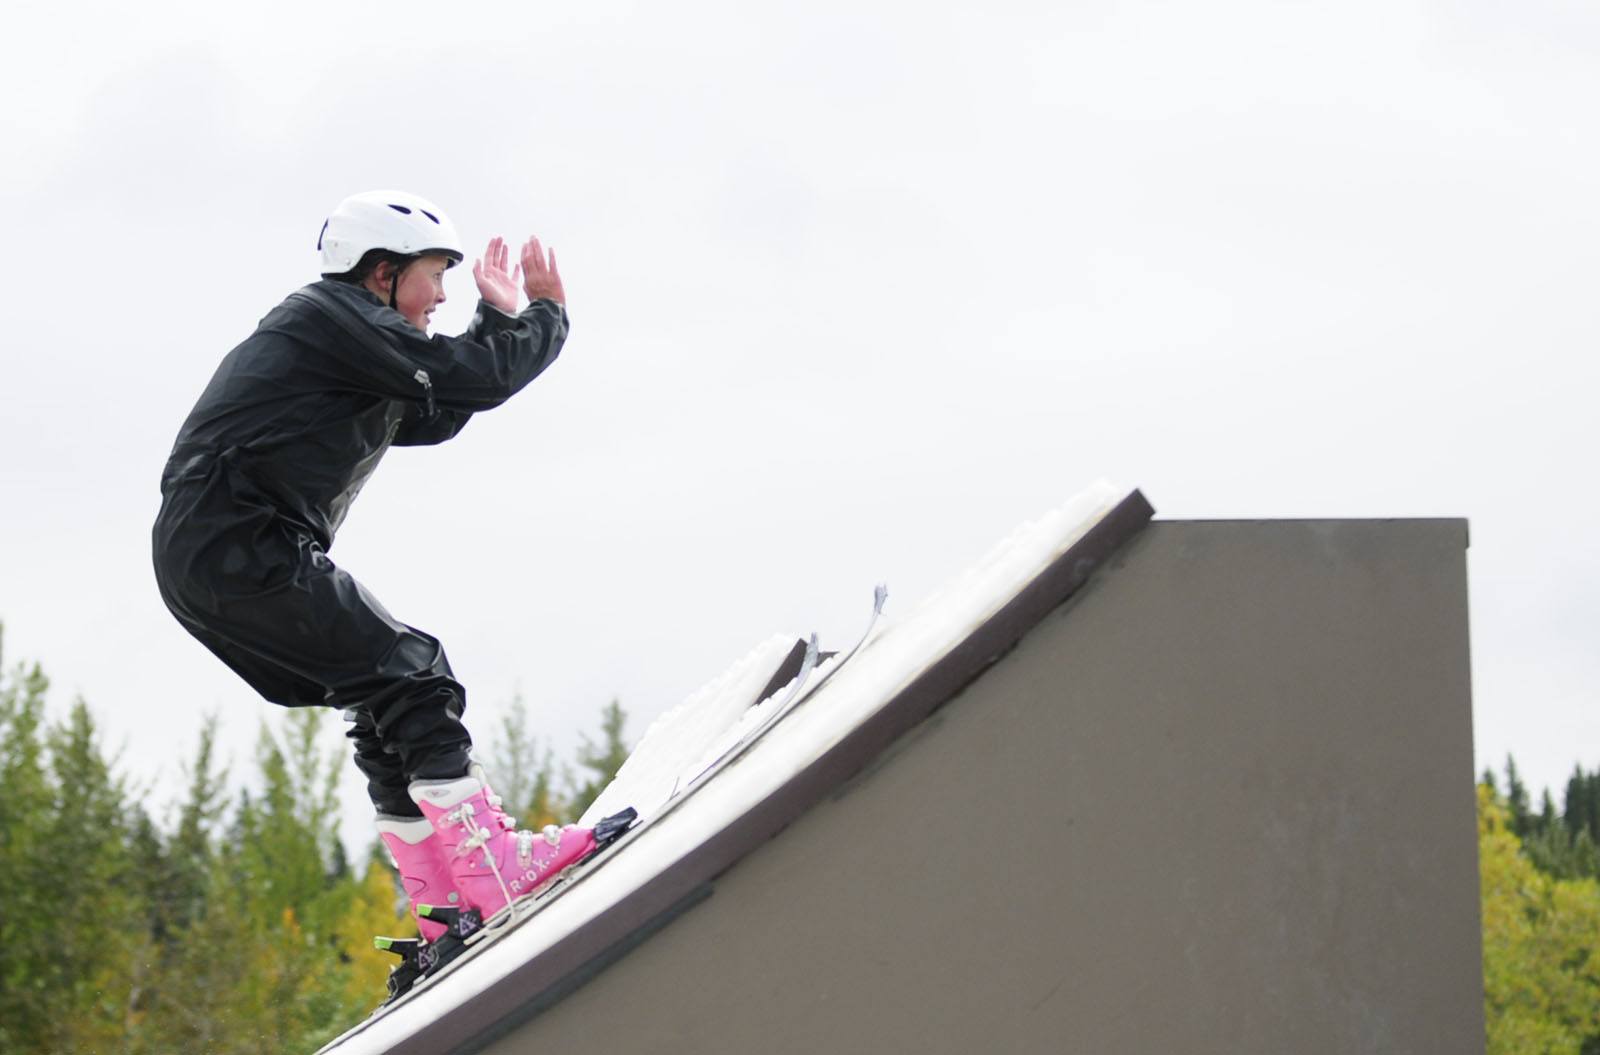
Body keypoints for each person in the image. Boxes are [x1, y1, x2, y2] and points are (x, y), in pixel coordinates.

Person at [152, 190, 595, 941]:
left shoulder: (350, 341)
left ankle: (439, 896)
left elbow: (441, 406)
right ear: (382, 272)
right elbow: (472, 377)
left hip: (208, 555)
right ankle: (492, 864)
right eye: (434, 276)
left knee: (380, 693)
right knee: (414, 670)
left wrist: (494, 320)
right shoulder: (332, 318)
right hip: (239, 541)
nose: (443, 295)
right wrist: (545, 314)